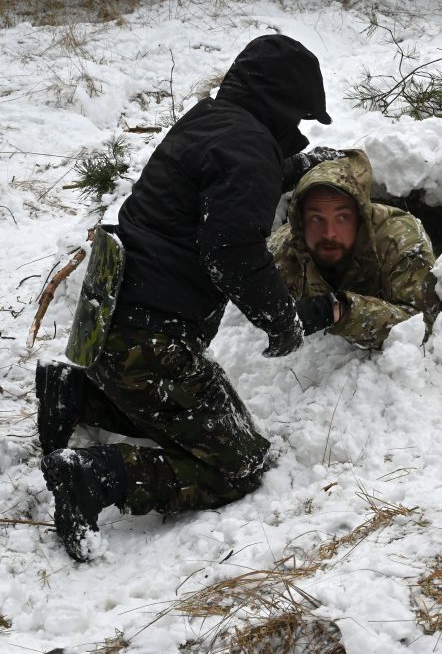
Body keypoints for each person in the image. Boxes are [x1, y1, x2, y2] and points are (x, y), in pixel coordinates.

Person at [35, 34, 346, 562]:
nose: (300, 126)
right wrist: (282, 320)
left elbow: (228, 178)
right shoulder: (247, 149)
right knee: (238, 464)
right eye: (299, 114)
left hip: (117, 324)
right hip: (150, 343)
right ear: (279, 104)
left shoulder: (210, 122)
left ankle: (77, 394)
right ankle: (95, 479)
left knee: (207, 419)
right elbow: (231, 251)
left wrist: (292, 168)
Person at [269, 150, 441, 351]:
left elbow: (425, 326)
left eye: (342, 218)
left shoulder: (400, 241)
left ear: (360, 218)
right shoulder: (284, 250)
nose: (329, 233)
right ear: (300, 224)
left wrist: (338, 310)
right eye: (316, 219)